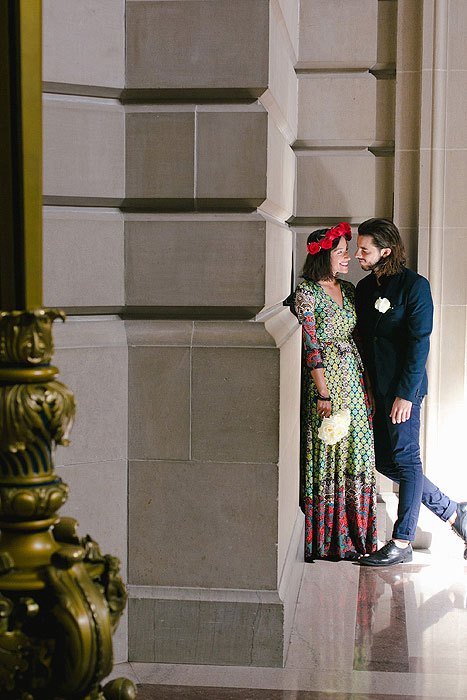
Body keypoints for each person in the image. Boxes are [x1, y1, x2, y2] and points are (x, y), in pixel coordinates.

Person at [355, 218, 467, 566]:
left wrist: (406, 393)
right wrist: (369, 388)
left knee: (406, 459)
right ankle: (455, 513)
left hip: (405, 389)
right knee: (387, 462)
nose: (359, 254)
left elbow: (419, 344)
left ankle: (402, 542)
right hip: (376, 388)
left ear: (384, 251)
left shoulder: (415, 286)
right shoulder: (362, 288)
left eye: (365, 249)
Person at [294, 222, 377, 561]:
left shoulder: (350, 290)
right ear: (324, 255)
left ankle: (357, 538)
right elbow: (311, 344)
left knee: (358, 450)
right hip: (325, 381)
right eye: (342, 252)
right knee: (327, 451)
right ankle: (326, 539)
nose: (348, 258)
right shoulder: (307, 294)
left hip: (353, 381)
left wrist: (367, 384)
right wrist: (323, 393)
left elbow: (359, 337)